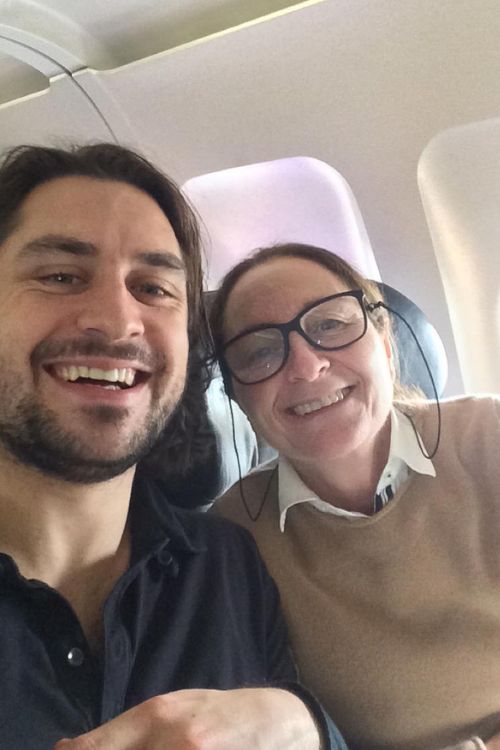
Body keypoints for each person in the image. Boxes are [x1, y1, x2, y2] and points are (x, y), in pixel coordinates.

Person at [0, 146, 348, 750]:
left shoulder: (227, 565)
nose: (116, 320)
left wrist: (304, 725)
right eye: (61, 276)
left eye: (154, 288)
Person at [210, 242, 500, 750]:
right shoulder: (233, 533)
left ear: (385, 342)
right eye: (260, 350)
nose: (305, 367)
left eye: (330, 325)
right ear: (238, 397)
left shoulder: (489, 436)